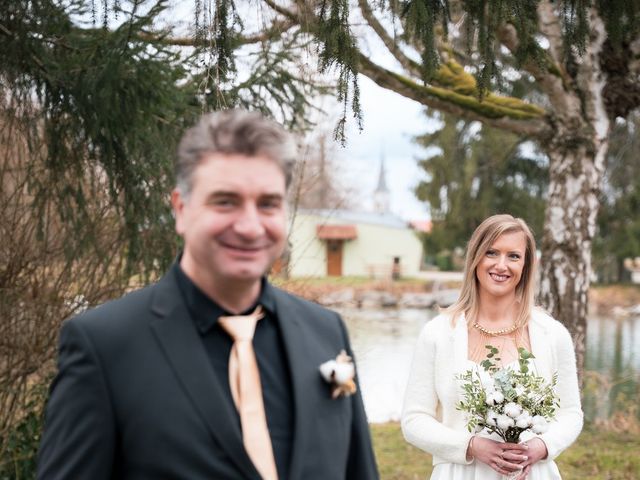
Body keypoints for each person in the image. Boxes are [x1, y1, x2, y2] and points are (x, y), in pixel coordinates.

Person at [37, 110, 379, 480]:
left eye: (268, 203)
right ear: (181, 209)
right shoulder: (104, 347)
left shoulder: (326, 333)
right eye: (225, 201)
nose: (250, 227)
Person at [401, 214, 583, 480]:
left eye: (513, 256)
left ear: (526, 265)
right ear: (475, 258)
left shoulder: (552, 334)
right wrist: (472, 446)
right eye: (491, 252)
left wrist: (541, 447)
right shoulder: (438, 334)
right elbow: (414, 420)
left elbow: (571, 414)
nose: (501, 265)